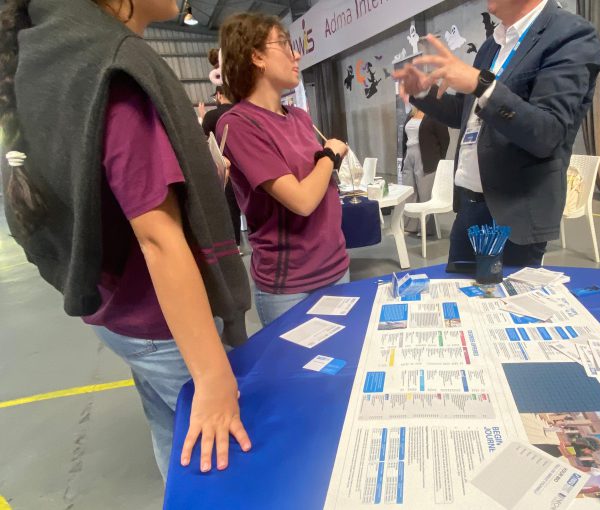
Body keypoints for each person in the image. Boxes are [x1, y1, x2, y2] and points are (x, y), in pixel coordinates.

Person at [0, 0, 253, 478]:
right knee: (222, 459)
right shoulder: (111, 63)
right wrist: (213, 375)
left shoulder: (50, 52)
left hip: (114, 310)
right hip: (160, 321)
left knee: (170, 430)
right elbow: (157, 237)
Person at [394, 0, 600, 267]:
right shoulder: (491, 46)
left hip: (514, 210)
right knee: (460, 300)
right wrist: (419, 93)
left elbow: (547, 133)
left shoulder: (569, 34)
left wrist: (481, 84)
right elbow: (466, 111)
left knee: (505, 305)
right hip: (469, 205)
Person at [217, 13, 350, 326]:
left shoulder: (300, 118)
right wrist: (330, 154)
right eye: (285, 45)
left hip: (335, 267)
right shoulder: (238, 124)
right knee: (297, 372)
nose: (297, 54)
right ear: (257, 56)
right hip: (290, 284)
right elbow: (302, 201)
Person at [202, 78, 244, 249]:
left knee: (230, 207)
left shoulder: (212, 116)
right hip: (246, 166)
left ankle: (236, 244)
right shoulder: (242, 113)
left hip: (225, 168)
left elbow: (204, 141)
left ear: (219, 95)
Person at [401, 105, 450, 235]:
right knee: (409, 191)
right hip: (409, 154)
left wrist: (439, 159)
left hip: (427, 157)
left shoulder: (434, 113)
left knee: (425, 193)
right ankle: (410, 226)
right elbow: (406, 138)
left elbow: (445, 139)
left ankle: (427, 228)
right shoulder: (411, 114)